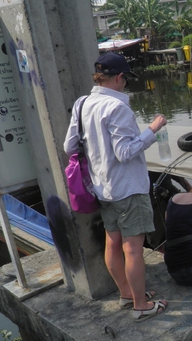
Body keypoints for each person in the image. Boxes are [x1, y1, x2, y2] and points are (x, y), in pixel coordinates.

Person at [64, 52, 167, 322]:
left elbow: (69, 146)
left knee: (114, 242)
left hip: (102, 188)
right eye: (126, 80)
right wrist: (152, 130)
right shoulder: (118, 108)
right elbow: (125, 152)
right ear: (120, 77)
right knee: (133, 249)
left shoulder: (82, 103)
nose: (125, 86)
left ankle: (126, 294)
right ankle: (141, 306)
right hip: (128, 188)